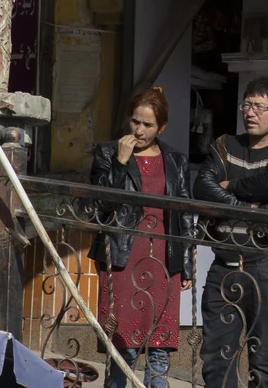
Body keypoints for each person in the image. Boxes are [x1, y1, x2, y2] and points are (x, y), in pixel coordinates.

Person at [193, 77, 268, 388]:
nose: (250, 113)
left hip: (267, 264)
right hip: (224, 265)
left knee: (264, 363)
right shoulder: (225, 145)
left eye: (260, 107)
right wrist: (243, 205)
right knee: (216, 360)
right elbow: (202, 187)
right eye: (247, 105)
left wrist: (230, 186)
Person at [90, 87, 191, 388]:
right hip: (123, 255)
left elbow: (184, 213)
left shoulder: (175, 160)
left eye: (148, 125)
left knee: (160, 347)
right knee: (125, 345)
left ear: (162, 127)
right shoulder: (107, 153)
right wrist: (120, 163)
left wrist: (184, 262)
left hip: (163, 256)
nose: (140, 130)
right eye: (135, 122)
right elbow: (101, 203)